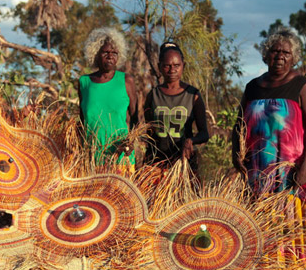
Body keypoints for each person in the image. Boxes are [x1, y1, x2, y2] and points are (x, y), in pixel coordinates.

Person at [232, 26, 306, 261]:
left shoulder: (302, 86)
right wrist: (236, 153)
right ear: (265, 55)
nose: (280, 56)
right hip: (260, 171)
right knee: (265, 222)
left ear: (294, 58)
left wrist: (303, 168)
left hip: (292, 171)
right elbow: (238, 124)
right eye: (275, 51)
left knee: (295, 221)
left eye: (286, 53)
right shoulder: (253, 87)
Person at [144, 42, 209, 175]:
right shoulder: (154, 95)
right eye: (167, 66)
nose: (172, 70)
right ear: (159, 67)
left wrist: (191, 141)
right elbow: (149, 130)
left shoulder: (193, 95)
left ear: (183, 66)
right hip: (156, 165)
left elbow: (204, 134)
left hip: (183, 165)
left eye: (176, 66)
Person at [78, 27, 137, 169]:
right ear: (96, 54)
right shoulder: (84, 83)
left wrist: (131, 141)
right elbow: (82, 121)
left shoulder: (126, 80)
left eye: (114, 53)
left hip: (121, 158)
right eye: (105, 52)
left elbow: (136, 118)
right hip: (91, 160)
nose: (110, 56)